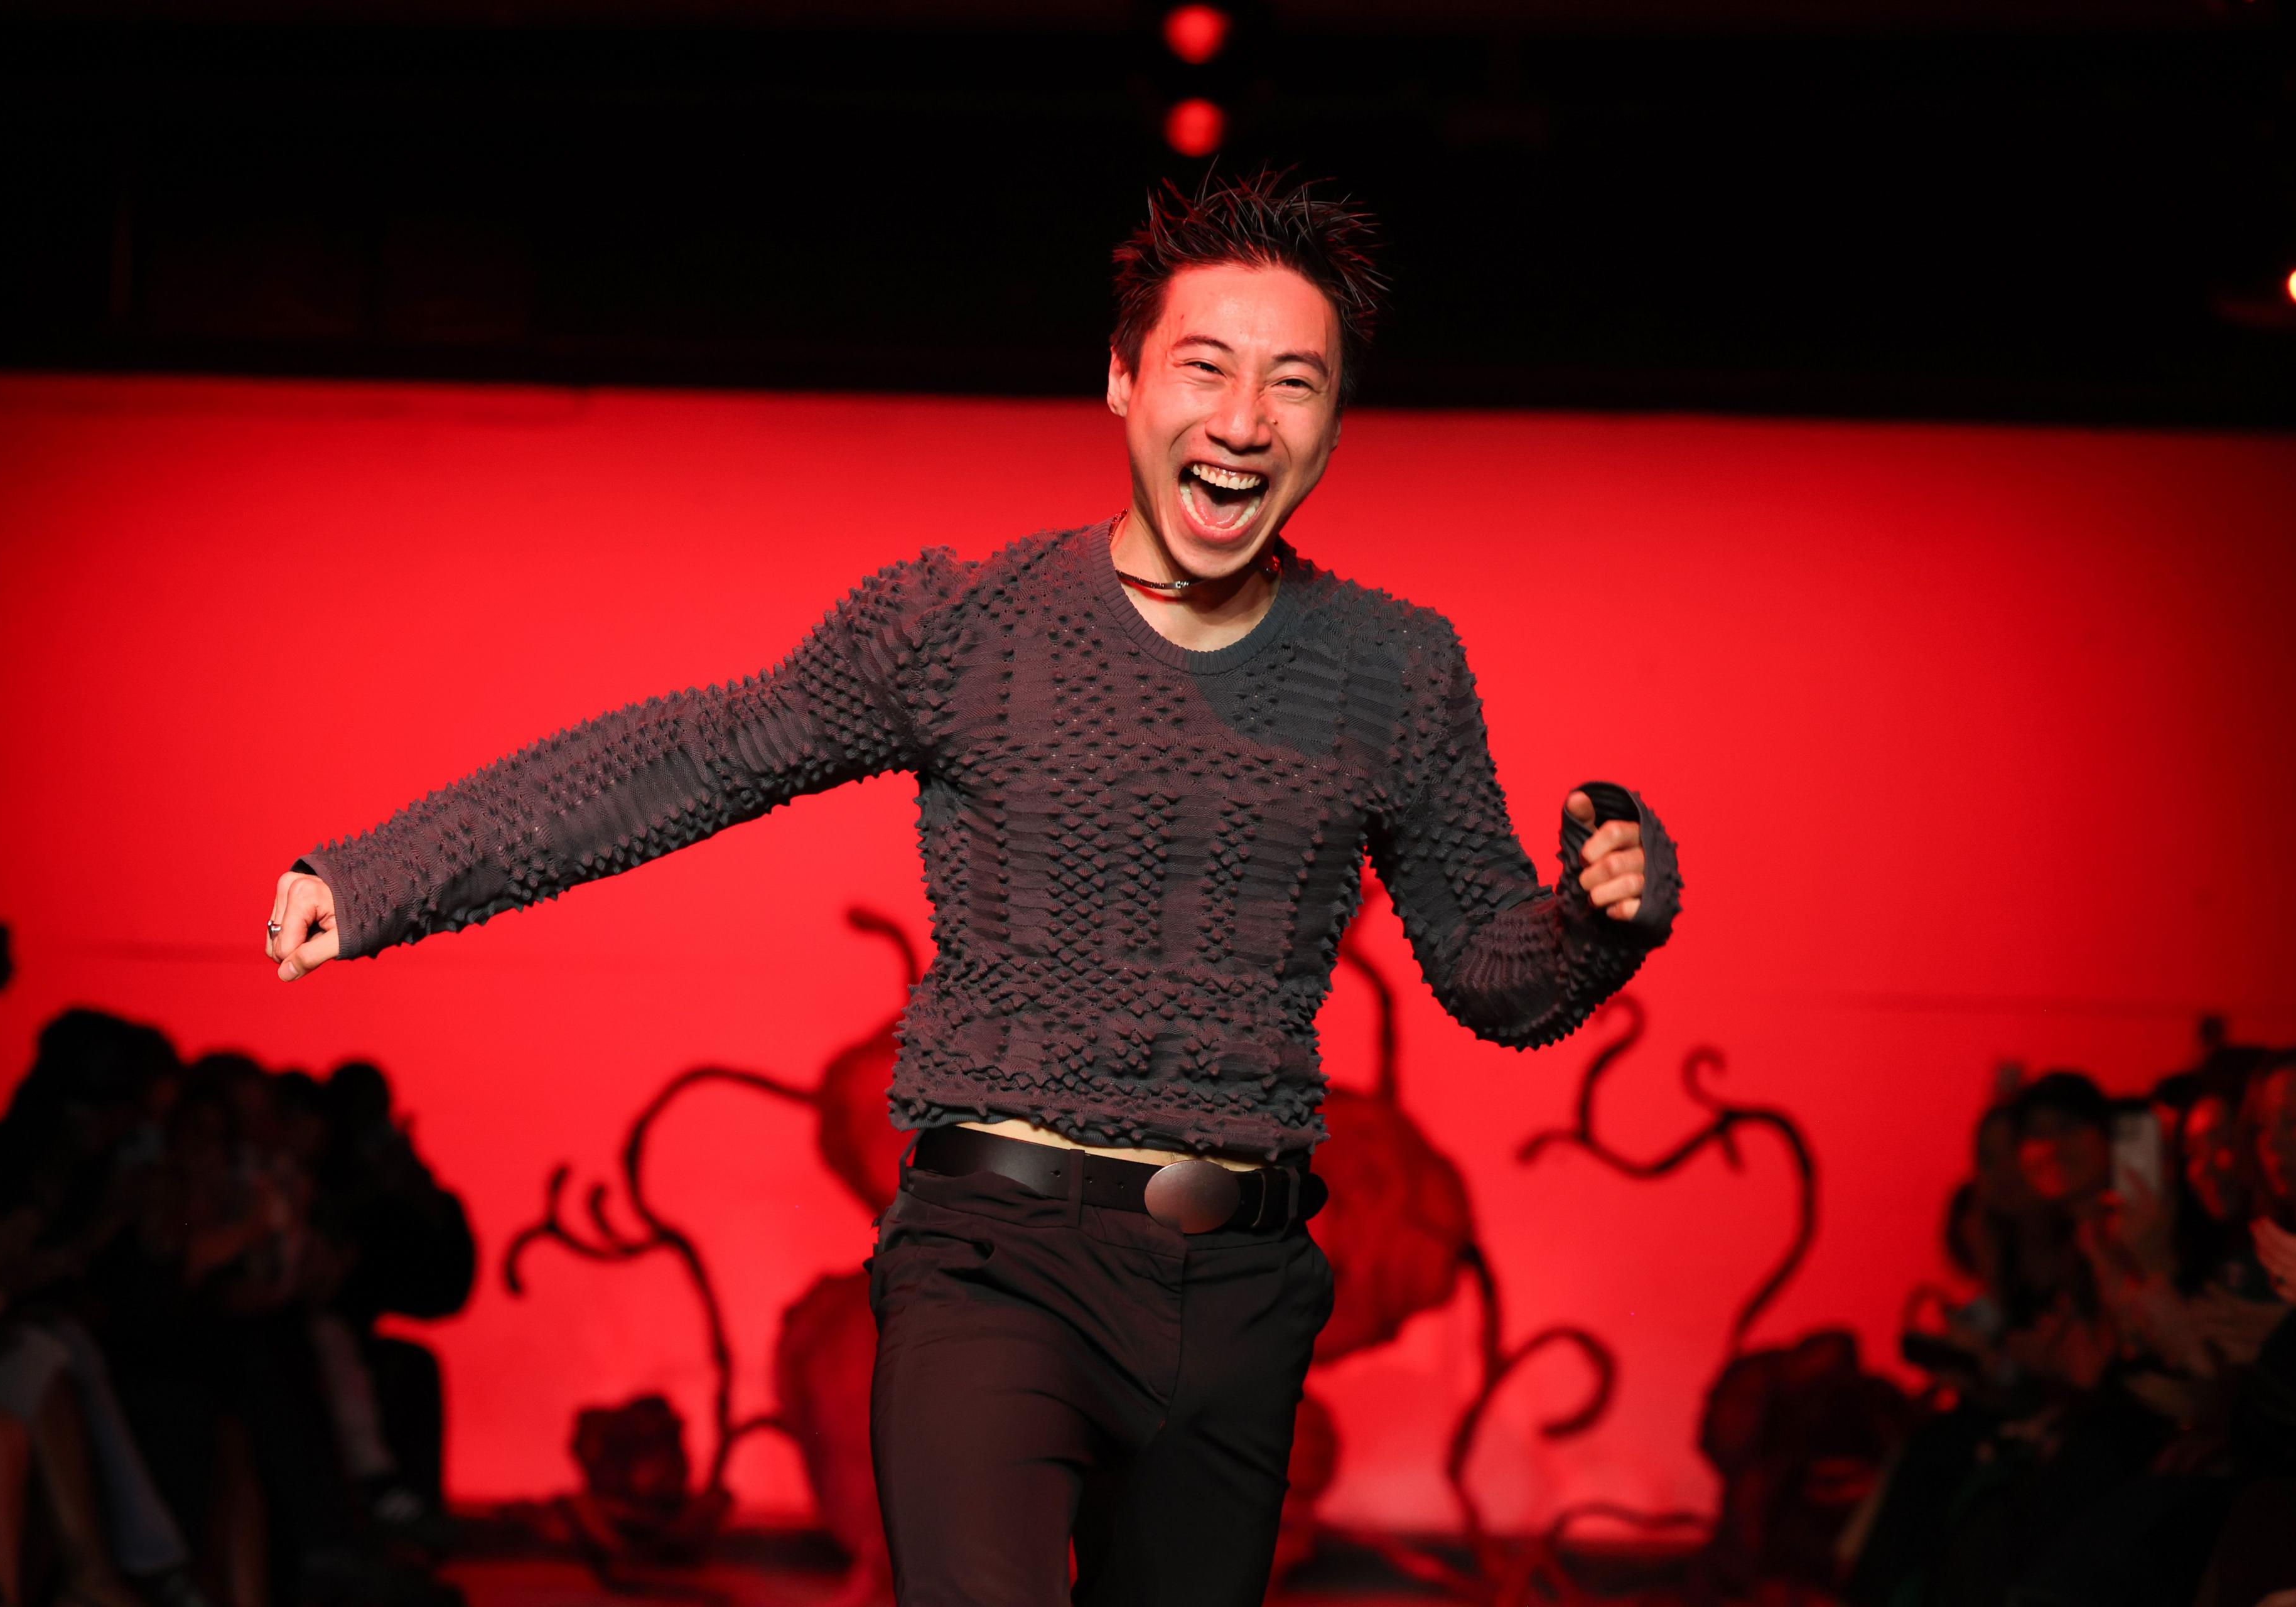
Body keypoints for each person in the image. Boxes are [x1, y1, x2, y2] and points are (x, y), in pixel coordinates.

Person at [261, 168, 1683, 1607]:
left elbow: (1494, 974)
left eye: (1293, 382)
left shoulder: (1396, 667)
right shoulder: (964, 627)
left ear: (1329, 421)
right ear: (1122, 381)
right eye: (1206, 366)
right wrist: (382, 874)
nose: (1245, 417)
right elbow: (696, 753)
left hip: (1242, 1288)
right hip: (994, 1261)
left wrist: (1600, 917)